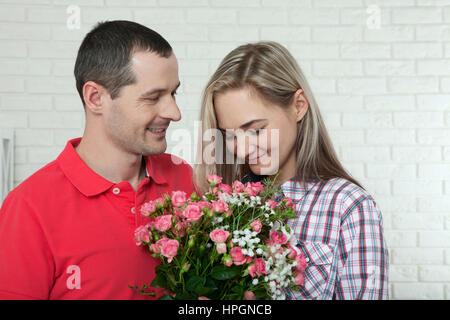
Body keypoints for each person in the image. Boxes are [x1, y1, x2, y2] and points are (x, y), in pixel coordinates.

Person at [0, 20, 194, 299]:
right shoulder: (29, 208)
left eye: (173, 93)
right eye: (153, 98)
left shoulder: (185, 179)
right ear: (95, 98)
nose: (175, 113)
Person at [194, 41, 389, 300]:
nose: (242, 150)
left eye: (255, 130)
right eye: (230, 136)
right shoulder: (225, 206)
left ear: (298, 106)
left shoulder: (349, 206)